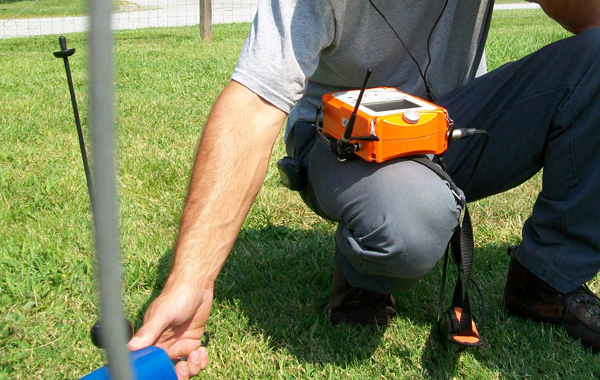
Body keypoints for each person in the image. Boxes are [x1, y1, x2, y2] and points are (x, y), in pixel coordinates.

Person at [126, 0, 600, 378]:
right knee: (414, 217)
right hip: (338, 138)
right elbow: (252, 105)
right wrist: (190, 281)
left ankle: (546, 278)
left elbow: (585, 17)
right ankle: (364, 274)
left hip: (445, 121)